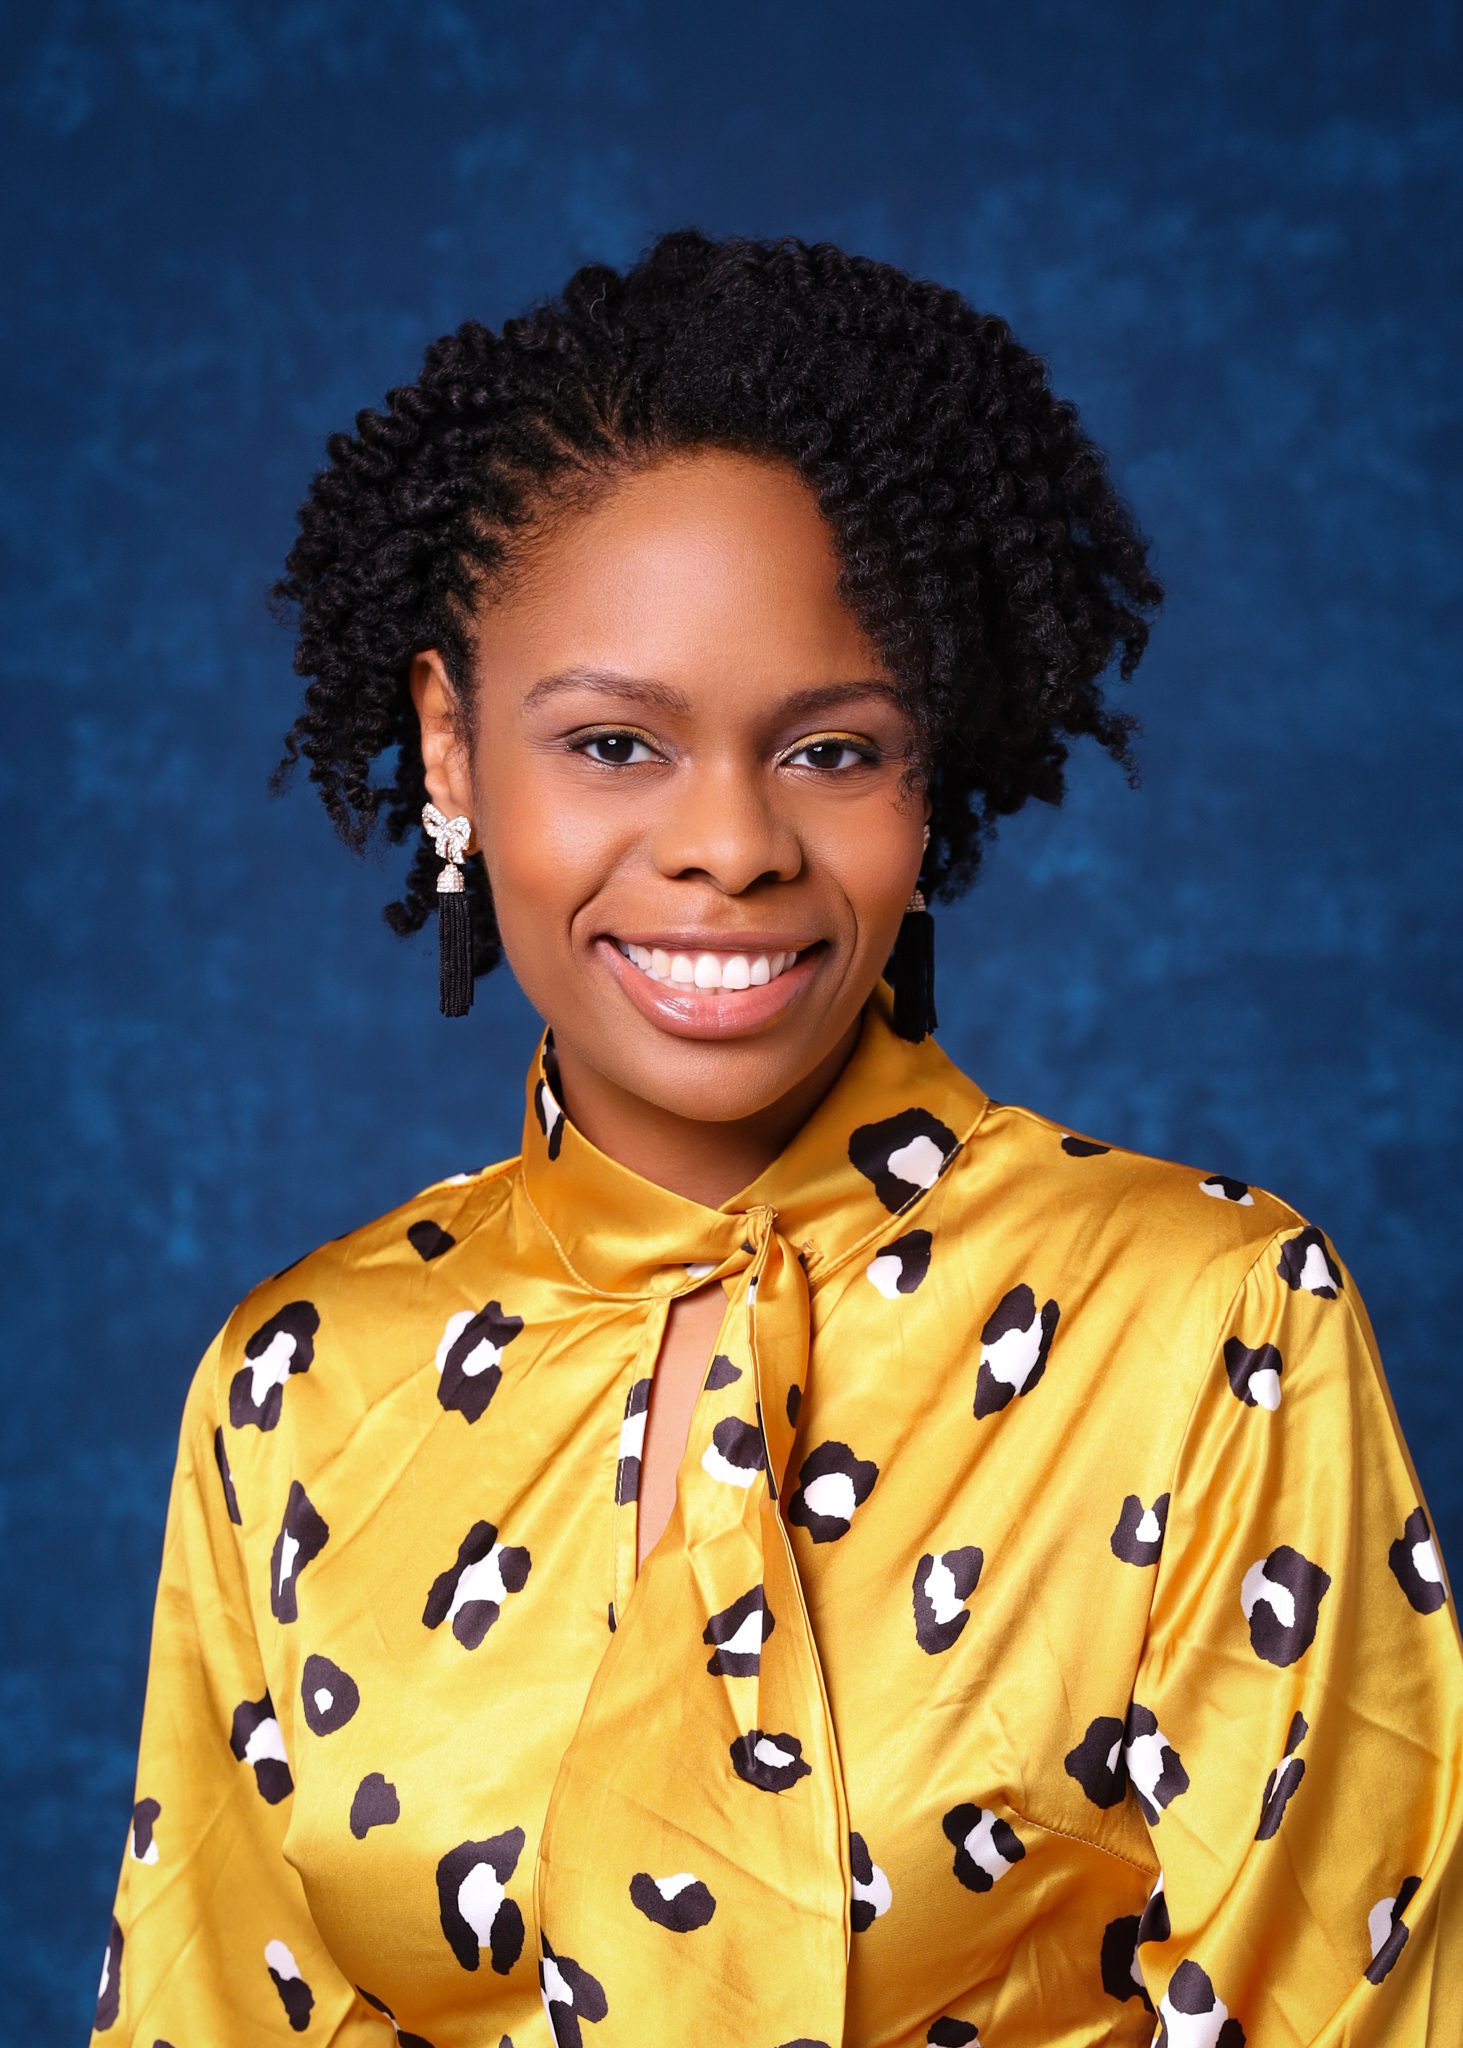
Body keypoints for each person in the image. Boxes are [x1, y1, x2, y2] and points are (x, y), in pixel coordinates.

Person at [89, 230, 1462, 2047]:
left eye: (829, 752)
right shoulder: (295, 1389)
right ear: (450, 749)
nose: (729, 844)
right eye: (611, 745)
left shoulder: (1212, 1328)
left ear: (928, 775)